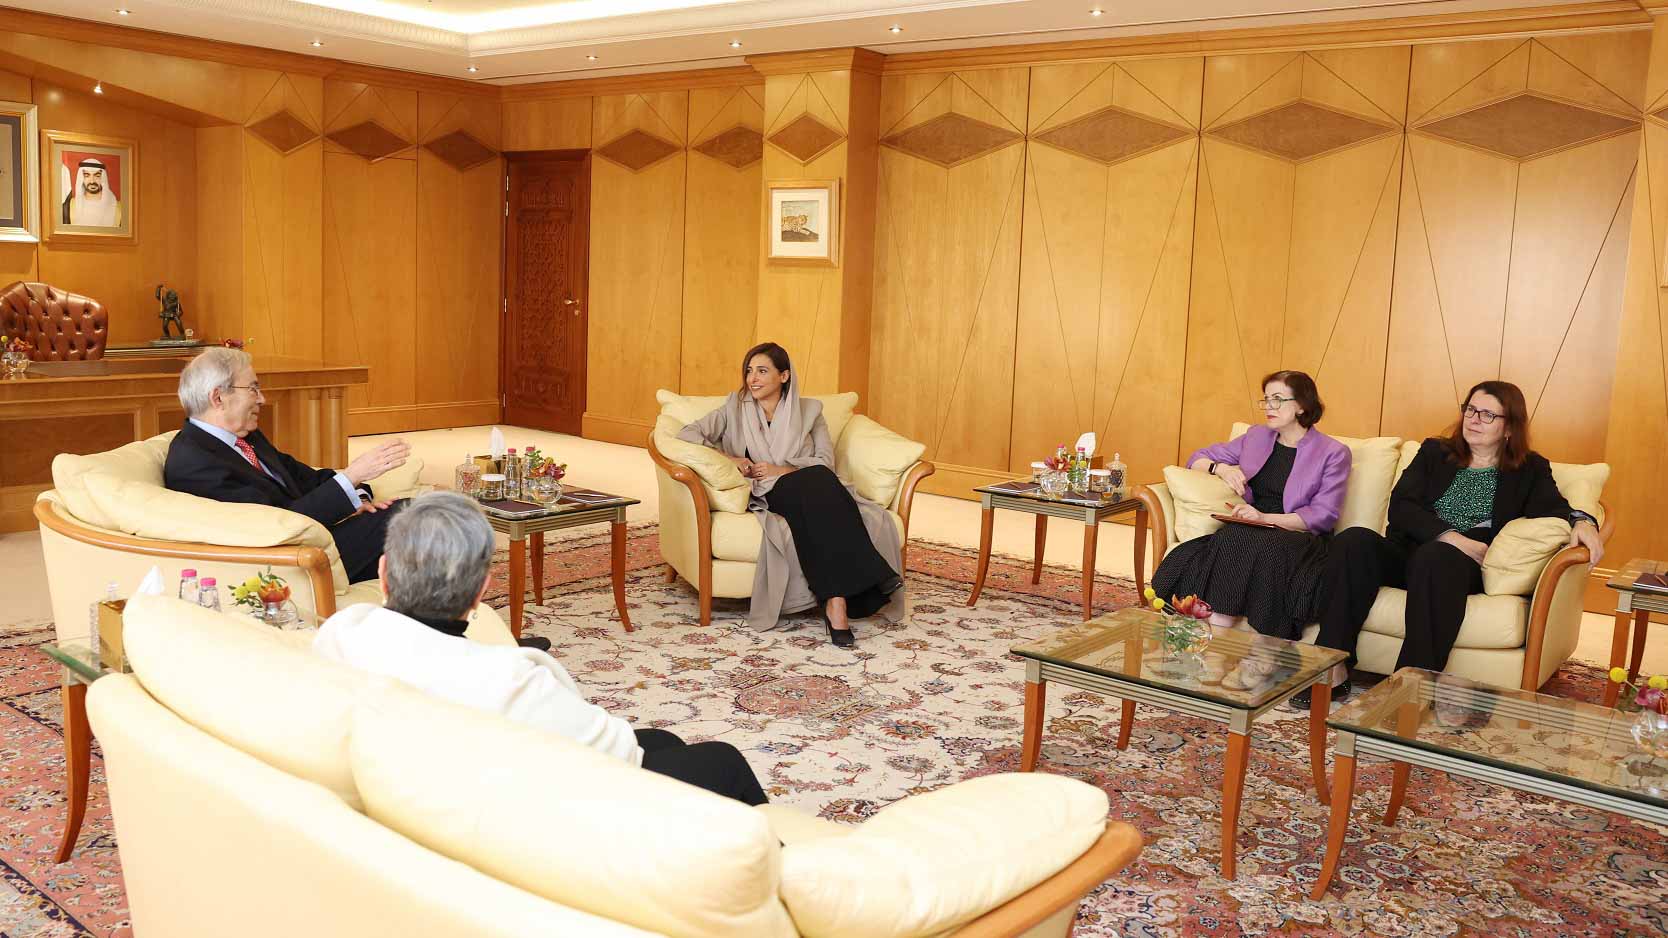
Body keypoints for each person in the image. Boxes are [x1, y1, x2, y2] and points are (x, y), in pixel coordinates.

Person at [314, 492, 768, 806]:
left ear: (384, 572)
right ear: (481, 592)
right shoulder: (512, 681)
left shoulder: (341, 632)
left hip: (430, 786)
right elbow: (614, 756)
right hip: (564, 815)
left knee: (666, 740)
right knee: (721, 761)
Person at [1298, 380, 1605, 705]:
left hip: (1457, 568)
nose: (1474, 419)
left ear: (1509, 428)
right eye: (1471, 410)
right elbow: (1402, 506)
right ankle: (1333, 668)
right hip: (1410, 551)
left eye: (1488, 415)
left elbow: (1554, 508)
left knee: (1436, 557)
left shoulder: (1529, 469)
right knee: (1353, 541)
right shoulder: (1434, 452)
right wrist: (1452, 537)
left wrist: (1584, 521)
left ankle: (1411, 686)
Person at [676, 342, 903, 646]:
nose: (752, 379)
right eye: (749, 371)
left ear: (784, 376)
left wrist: (780, 469)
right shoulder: (733, 408)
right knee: (822, 487)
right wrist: (733, 461)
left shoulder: (811, 411)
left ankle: (836, 601)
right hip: (768, 491)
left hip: (807, 482)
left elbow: (825, 461)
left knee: (819, 481)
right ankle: (866, 586)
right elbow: (687, 435)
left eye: (762, 371)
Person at [1150, 370, 1352, 688]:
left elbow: (1323, 515)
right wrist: (1223, 467)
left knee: (1263, 545)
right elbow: (1198, 458)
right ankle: (1217, 652)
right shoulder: (1257, 437)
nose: (1268, 406)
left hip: (1298, 534)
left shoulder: (1333, 452)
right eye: (1265, 399)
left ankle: (1262, 654)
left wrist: (1265, 518)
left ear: (1301, 405)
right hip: (1253, 526)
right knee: (1231, 537)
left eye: (1277, 399)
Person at [164, 346, 410, 585]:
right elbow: (275, 528)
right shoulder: (194, 463)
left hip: (319, 538)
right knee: (412, 517)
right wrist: (353, 474)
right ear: (218, 397)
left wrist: (358, 498)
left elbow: (307, 478)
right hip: (292, 562)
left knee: (416, 527)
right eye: (253, 389)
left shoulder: (246, 438)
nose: (262, 399)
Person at [62, 158, 122, 227]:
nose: (92, 181)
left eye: (97, 176)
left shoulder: (119, 208)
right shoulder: (70, 206)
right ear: (82, 178)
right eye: (87, 175)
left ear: (103, 178)